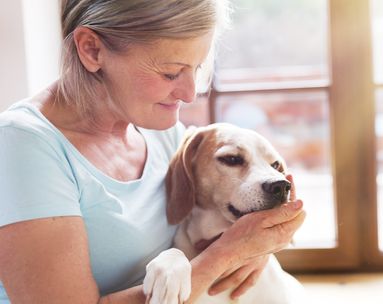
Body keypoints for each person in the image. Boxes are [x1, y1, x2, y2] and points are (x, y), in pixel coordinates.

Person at [0, 0, 306, 303]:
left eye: (196, 69)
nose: (189, 94)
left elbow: (222, 209)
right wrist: (227, 255)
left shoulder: (159, 130)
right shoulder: (22, 146)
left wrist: (257, 248)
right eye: (171, 73)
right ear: (92, 50)